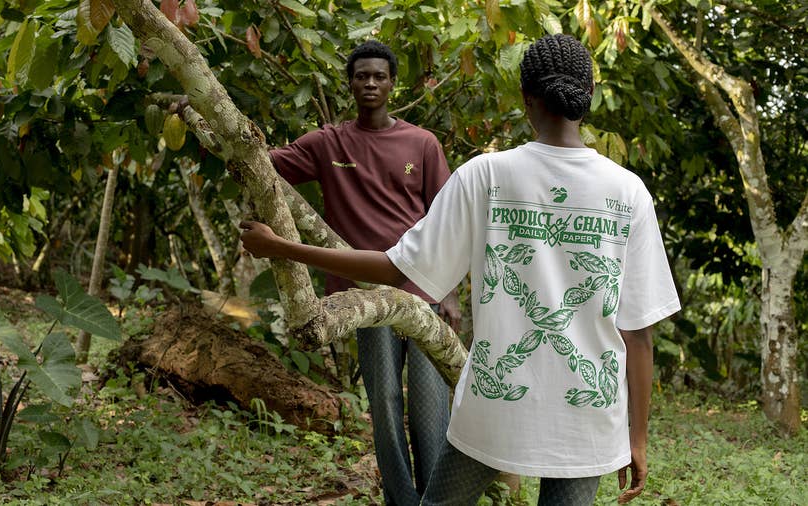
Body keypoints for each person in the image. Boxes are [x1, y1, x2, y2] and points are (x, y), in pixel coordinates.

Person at [242, 34, 681, 505]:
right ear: (587, 97)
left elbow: (394, 268)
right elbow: (638, 335)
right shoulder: (628, 191)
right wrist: (637, 439)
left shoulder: (485, 175)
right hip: (587, 415)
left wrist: (284, 248)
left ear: (526, 98)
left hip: (496, 405)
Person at [267, 40, 460, 505]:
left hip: (423, 292)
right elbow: (261, 163)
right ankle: (401, 500)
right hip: (366, 300)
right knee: (386, 405)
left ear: (392, 84)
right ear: (350, 83)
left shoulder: (422, 143)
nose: (370, 83)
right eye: (361, 76)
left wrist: (451, 295)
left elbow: (451, 220)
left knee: (430, 410)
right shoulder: (328, 142)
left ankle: (431, 500)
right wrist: (207, 118)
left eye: (379, 76)